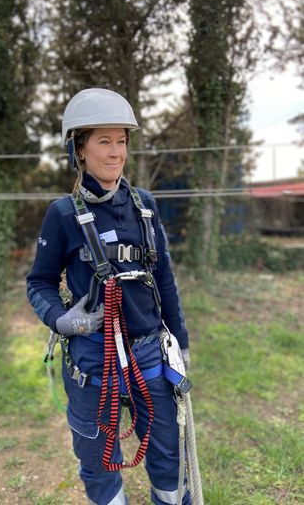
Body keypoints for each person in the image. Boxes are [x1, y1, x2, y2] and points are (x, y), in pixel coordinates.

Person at [26, 88, 192, 505]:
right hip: (92, 360)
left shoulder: (146, 208)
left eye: (121, 141)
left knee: (167, 450)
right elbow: (39, 282)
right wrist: (61, 320)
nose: (116, 152)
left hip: (149, 352)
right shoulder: (62, 214)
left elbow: (165, 278)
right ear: (79, 151)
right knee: (98, 460)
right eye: (104, 141)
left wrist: (182, 342)